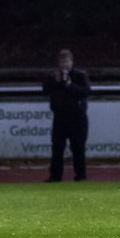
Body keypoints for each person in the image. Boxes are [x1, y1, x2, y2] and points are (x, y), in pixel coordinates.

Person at [41, 49, 91, 182]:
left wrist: (70, 85)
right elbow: (45, 90)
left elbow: (85, 92)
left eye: (67, 61)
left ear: (72, 62)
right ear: (58, 63)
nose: (65, 64)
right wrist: (55, 82)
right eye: (62, 61)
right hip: (60, 117)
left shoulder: (80, 76)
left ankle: (80, 175)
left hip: (77, 118)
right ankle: (55, 176)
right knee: (57, 148)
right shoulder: (53, 76)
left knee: (78, 147)